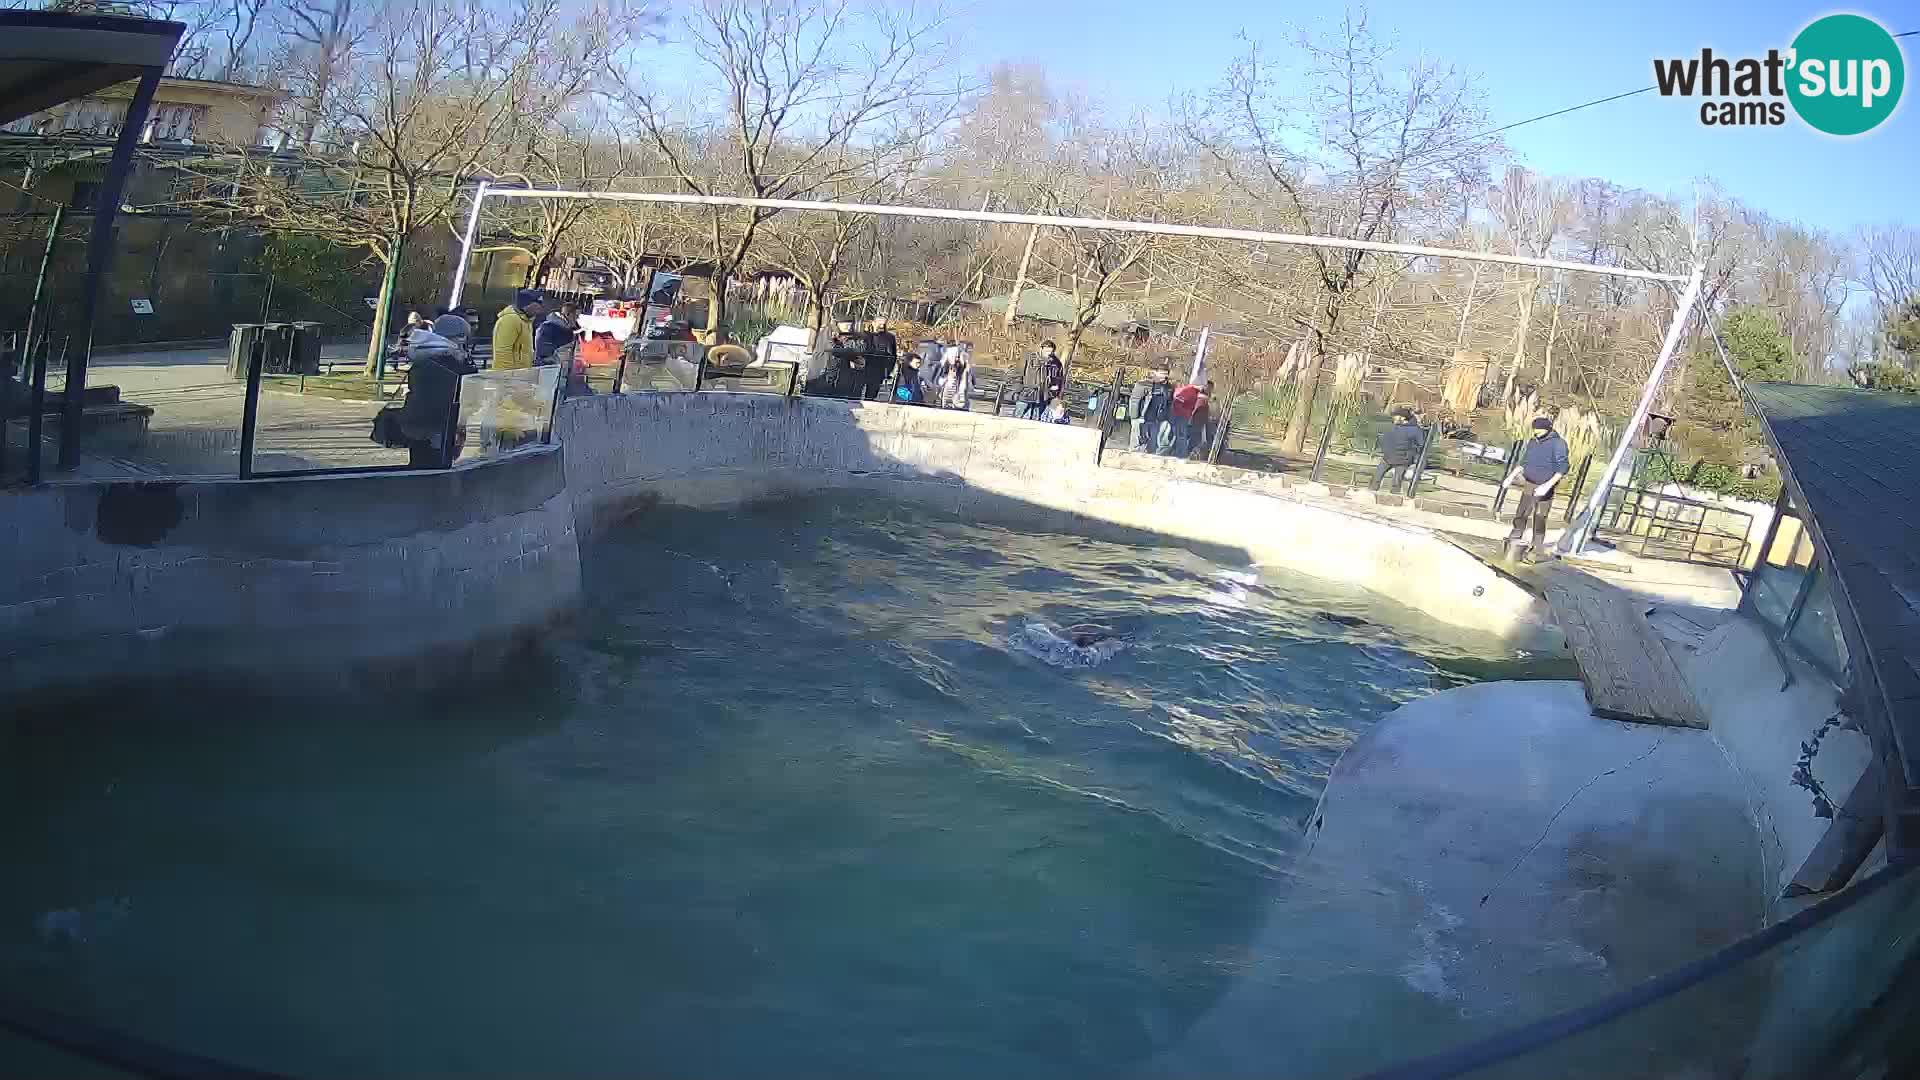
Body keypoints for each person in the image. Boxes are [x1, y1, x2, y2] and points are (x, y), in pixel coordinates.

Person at [397, 323, 475, 468]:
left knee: (421, 464)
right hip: (438, 426)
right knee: (436, 465)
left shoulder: (426, 359)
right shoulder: (449, 361)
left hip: (420, 426)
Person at [1501, 416, 1571, 560]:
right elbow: (1524, 461)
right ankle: (1515, 536)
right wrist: (1511, 476)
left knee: (1540, 516)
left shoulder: (1558, 444)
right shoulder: (1533, 442)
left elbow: (1562, 468)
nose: (1535, 433)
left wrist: (1547, 486)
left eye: (1538, 430)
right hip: (1530, 482)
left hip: (1545, 485)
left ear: (1546, 429)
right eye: (1534, 430)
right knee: (1522, 512)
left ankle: (1537, 547)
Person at [1372, 406, 1426, 491]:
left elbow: (1421, 445)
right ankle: (1370, 494)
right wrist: (1385, 449)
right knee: (1376, 478)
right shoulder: (1394, 427)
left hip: (1403, 460)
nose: (1393, 418)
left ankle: (1394, 500)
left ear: (1403, 418)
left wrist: (1411, 455)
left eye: (1395, 416)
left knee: (1396, 483)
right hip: (1388, 457)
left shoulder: (1415, 430)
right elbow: (1385, 439)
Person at [492, 289, 542, 371]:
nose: (540, 307)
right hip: (509, 375)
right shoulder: (510, 320)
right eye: (537, 303)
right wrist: (507, 376)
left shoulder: (526, 321)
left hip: (520, 374)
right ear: (527, 304)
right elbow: (502, 352)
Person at [1136, 368, 1173, 450]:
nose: (1159, 376)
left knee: (1154, 436)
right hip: (1147, 416)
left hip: (1158, 417)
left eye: (1162, 374)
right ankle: (1145, 448)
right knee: (1144, 435)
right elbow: (1144, 400)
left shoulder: (1168, 388)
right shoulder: (1151, 385)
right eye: (1159, 374)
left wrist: (1166, 416)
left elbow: (1168, 403)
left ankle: (1150, 450)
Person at [863, 318, 898, 401]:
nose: (882, 326)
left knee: (871, 395)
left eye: (884, 324)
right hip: (862, 367)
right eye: (880, 324)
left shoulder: (890, 338)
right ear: (873, 323)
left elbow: (893, 355)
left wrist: (888, 370)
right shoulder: (864, 335)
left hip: (878, 369)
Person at [1168, 379, 1203, 456]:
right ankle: (1180, 452)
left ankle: (1180, 453)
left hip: (1181, 415)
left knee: (1180, 435)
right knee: (1181, 435)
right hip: (1183, 415)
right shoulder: (1192, 392)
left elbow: (1178, 402)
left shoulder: (1189, 391)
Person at [1126, 371, 1154, 449]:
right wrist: (1140, 416)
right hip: (1140, 416)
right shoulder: (1146, 386)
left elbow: (1134, 400)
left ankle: (1133, 448)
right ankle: (1136, 448)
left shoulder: (1139, 384)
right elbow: (1144, 401)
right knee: (1140, 434)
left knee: (1136, 434)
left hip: (1136, 415)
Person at [1188, 380, 1214, 459]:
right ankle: (1191, 454)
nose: (1211, 389)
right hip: (1197, 422)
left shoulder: (1205, 398)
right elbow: (1195, 411)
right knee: (1195, 440)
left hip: (1200, 423)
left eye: (1211, 388)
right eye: (1209, 387)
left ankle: (1193, 454)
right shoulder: (1201, 399)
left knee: (1197, 440)